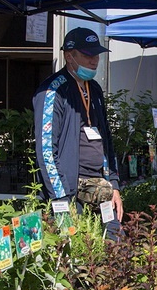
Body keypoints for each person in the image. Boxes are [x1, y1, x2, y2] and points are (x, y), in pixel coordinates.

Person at [33, 27, 123, 225]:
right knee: (77, 250)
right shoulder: (53, 91)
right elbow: (46, 149)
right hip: (70, 189)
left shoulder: (95, 89)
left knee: (116, 244)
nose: (94, 60)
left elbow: (106, 140)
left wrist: (114, 185)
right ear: (69, 56)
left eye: (97, 55)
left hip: (100, 186)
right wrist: (61, 197)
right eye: (87, 55)